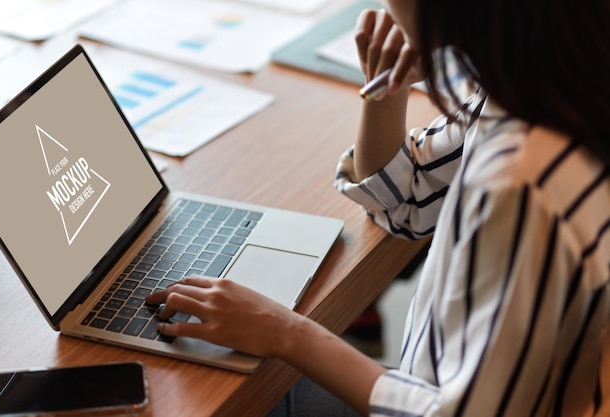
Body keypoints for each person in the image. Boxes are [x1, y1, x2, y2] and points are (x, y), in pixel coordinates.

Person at [145, 0, 610, 415]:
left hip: (435, 395)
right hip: (440, 379)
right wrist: (385, 90)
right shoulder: (541, 82)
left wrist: (285, 331)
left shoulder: (522, 178)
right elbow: (406, 204)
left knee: (214, 391)